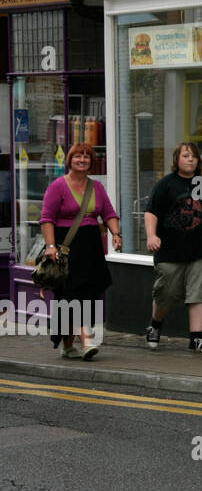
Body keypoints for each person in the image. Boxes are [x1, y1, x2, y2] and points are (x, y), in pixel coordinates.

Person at [39, 142, 122, 360]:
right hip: (67, 248)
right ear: (70, 160)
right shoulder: (58, 186)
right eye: (78, 156)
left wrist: (115, 234)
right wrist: (50, 247)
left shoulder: (97, 188)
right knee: (71, 294)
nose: (82, 160)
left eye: (86, 157)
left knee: (87, 294)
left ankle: (67, 345)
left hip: (91, 247)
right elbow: (46, 219)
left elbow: (109, 213)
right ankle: (86, 340)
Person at [144, 142, 202, 353]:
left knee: (199, 292)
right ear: (177, 160)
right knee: (168, 293)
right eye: (185, 156)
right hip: (170, 250)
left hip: (199, 248)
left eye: (193, 156)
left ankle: (196, 338)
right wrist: (151, 235)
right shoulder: (167, 184)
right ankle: (155, 325)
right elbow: (151, 212)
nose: (190, 159)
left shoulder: (201, 184)